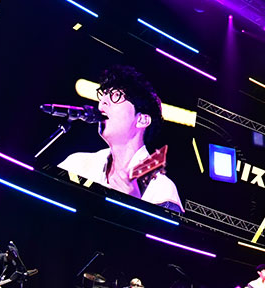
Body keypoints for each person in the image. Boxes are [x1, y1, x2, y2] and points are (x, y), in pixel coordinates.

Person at [57, 66, 182, 210]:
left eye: (116, 95)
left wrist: (135, 207)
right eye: (103, 94)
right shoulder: (77, 164)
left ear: (142, 120)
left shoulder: (161, 190)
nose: (102, 102)